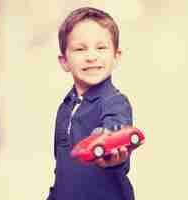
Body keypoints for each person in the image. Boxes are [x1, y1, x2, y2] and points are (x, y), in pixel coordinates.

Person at [47, 7, 135, 200]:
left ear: (116, 56)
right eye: (80, 49)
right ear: (64, 62)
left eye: (101, 47)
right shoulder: (65, 107)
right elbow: (62, 171)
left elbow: (115, 126)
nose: (91, 56)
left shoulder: (115, 102)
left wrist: (108, 140)